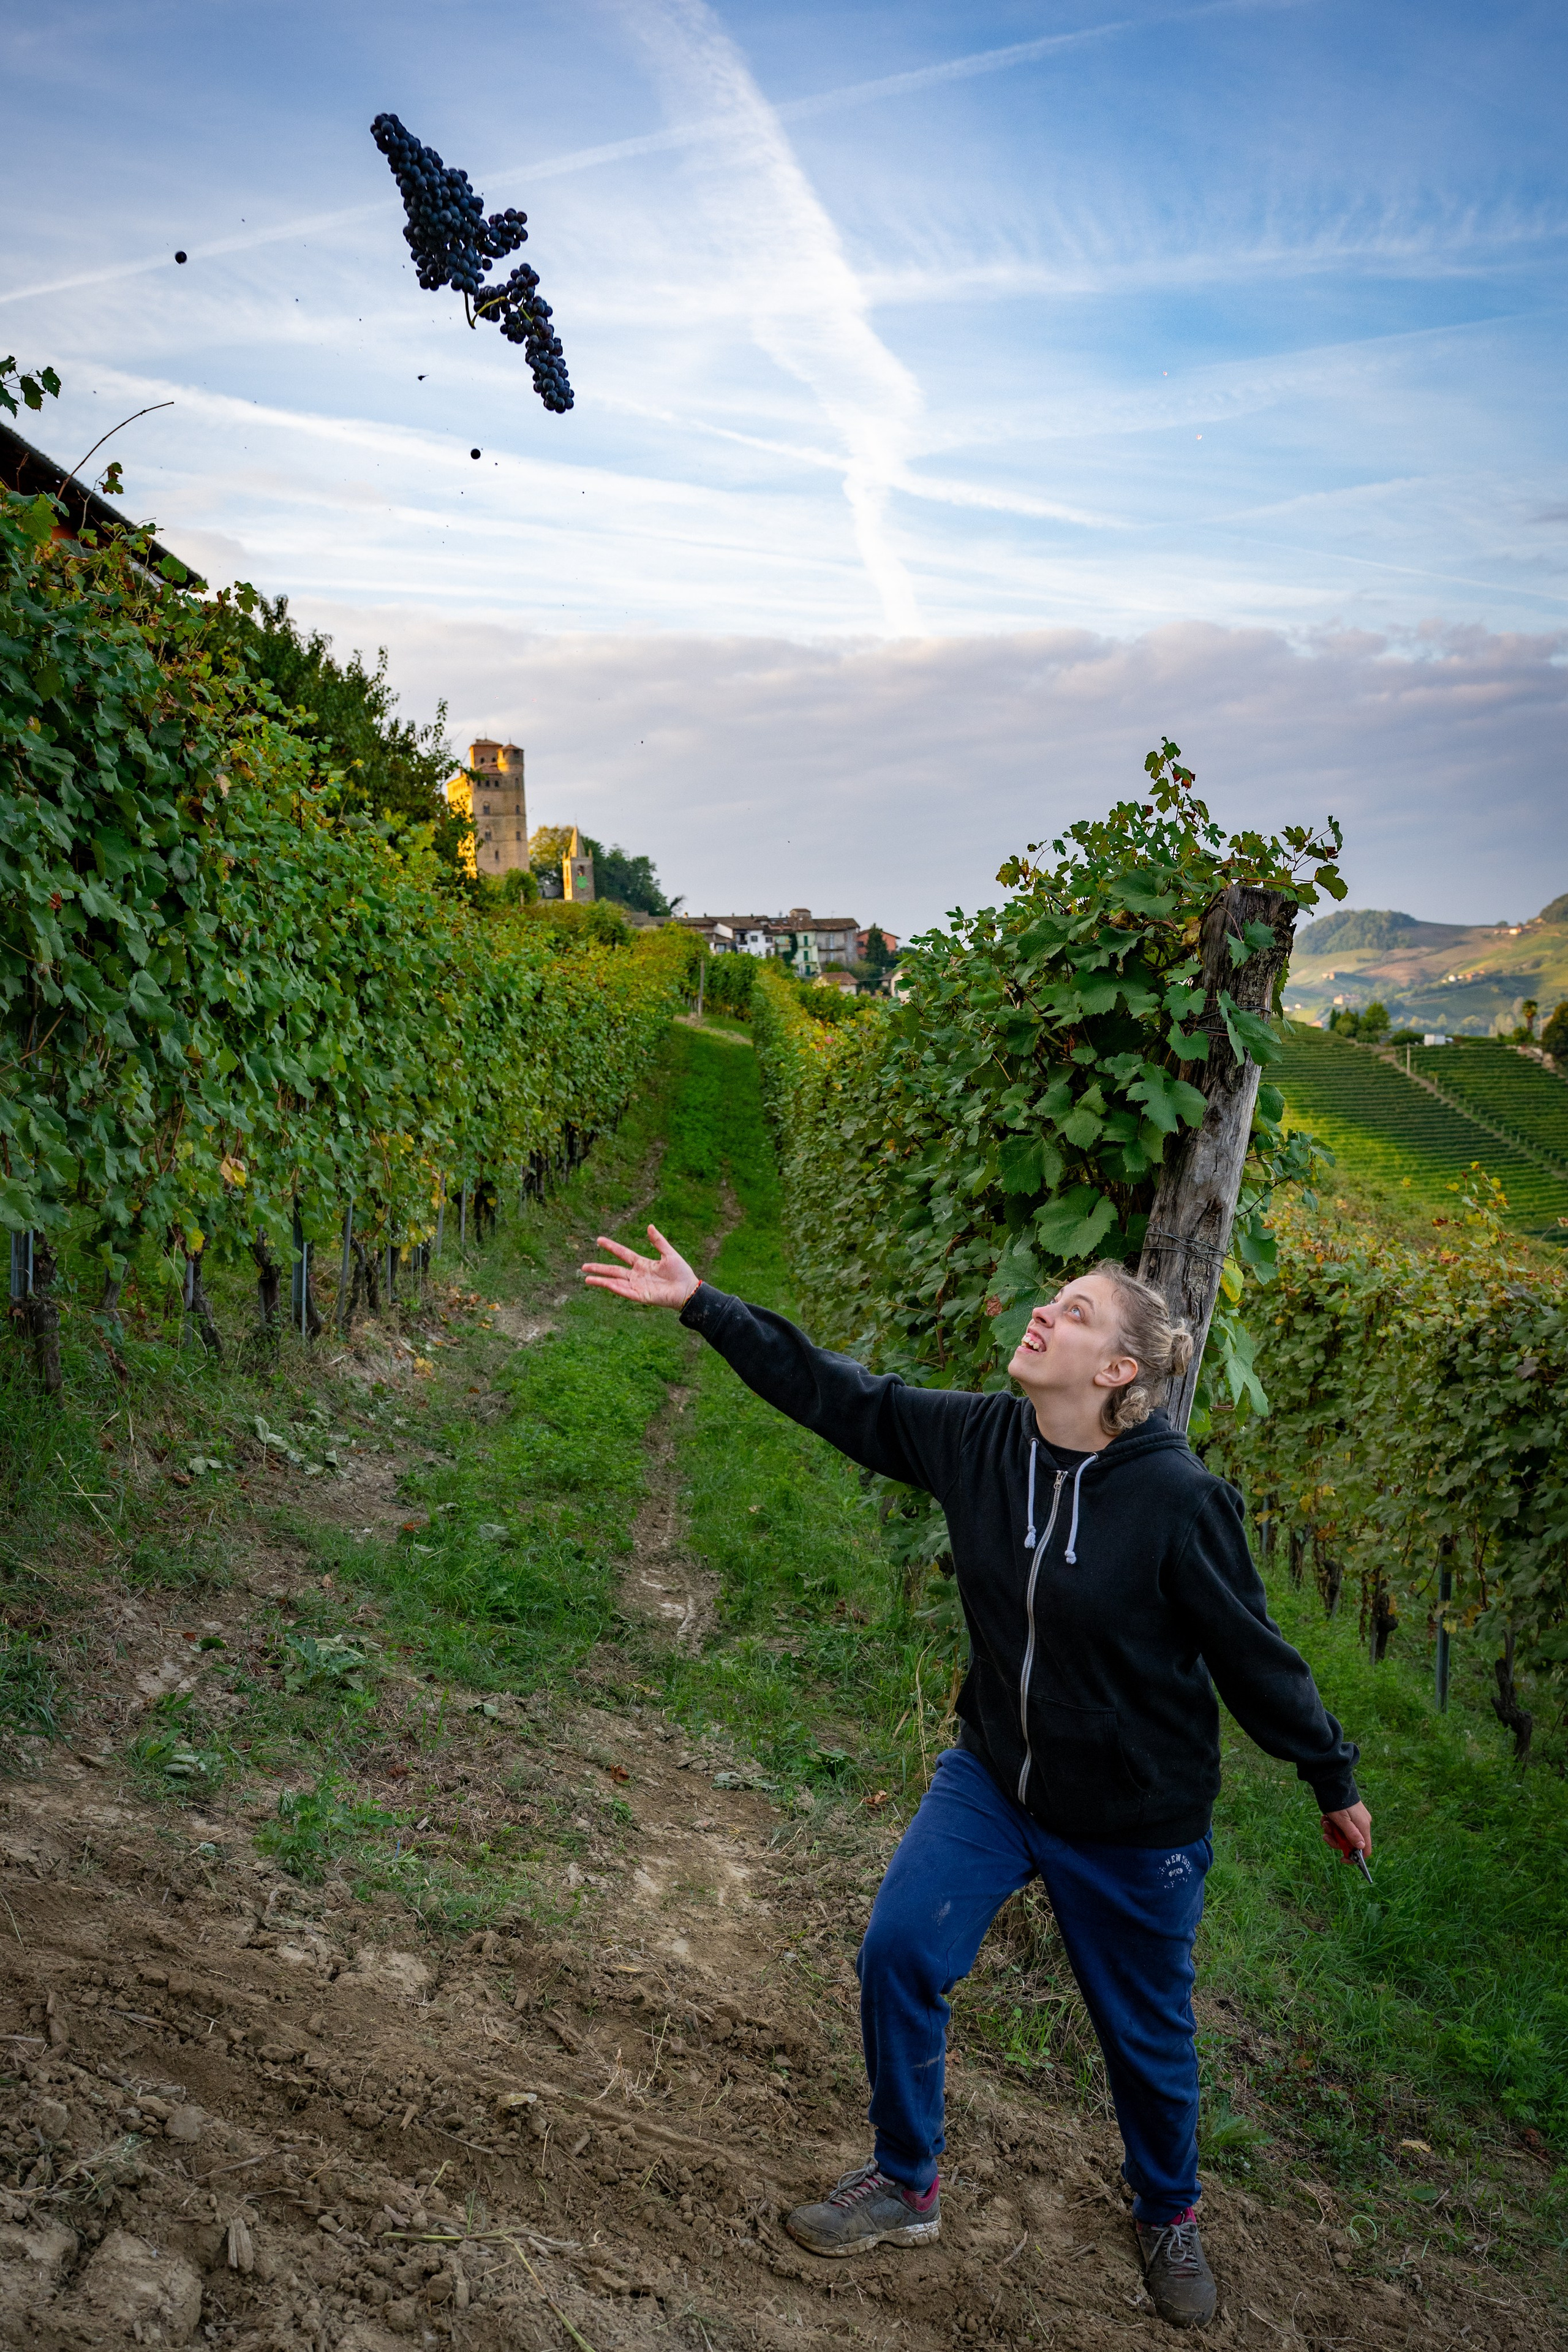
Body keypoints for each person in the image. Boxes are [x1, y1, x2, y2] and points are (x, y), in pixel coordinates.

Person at [581, 1229, 1371, 2332]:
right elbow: (839, 1396)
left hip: (1134, 1821)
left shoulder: (1180, 1501)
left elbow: (1255, 1655)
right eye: (1054, 1298)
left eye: (1077, 1312)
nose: (1044, 1312)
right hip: (996, 1778)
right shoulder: (983, 1440)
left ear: (1119, 1371)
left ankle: (1169, 2212)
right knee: (902, 1949)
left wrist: (1330, 1775)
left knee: (1146, 2039)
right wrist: (704, 1303)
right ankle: (906, 2181)